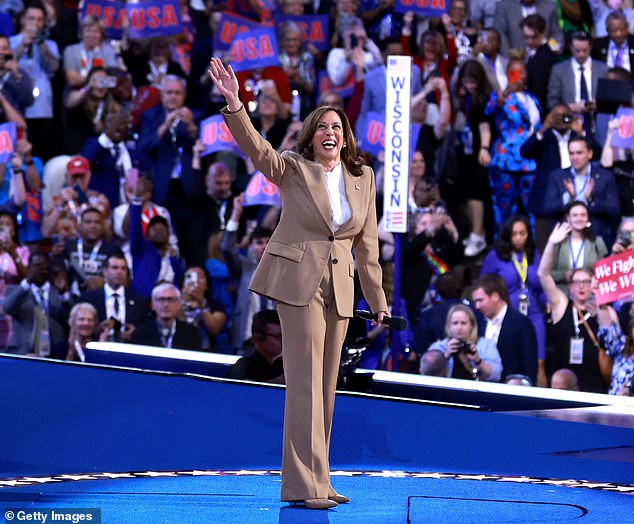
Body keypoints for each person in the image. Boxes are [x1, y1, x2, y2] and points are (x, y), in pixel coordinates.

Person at [208, 57, 388, 510]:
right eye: (323, 126)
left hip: (341, 286)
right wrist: (235, 104)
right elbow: (258, 151)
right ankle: (301, 487)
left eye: (338, 126)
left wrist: (377, 298)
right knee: (304, 384)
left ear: (345, 137)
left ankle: (321, 481)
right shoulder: (292, 167)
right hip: (300, 281)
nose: (331, 132)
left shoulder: (363, 178)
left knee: (327, 386)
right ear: (312, 135)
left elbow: (367, 246)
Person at [538, 221, 615, 393]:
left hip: (597, 388)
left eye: (586, 282)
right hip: (564, 387)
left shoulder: (605, 311)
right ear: (570, 286)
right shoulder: (562, 307)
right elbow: (543, 274)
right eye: (577, 282)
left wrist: (600, 313)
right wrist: (551, 243)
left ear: (593, 285)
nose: (581, 286)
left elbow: (618, 345)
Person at [480, 215, 547, 385]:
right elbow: (484, 285)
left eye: (522, 233)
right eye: (514, 233)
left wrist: (548, 303)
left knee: (539, 362)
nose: (518, 238)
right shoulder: (495, 256)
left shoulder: (534, 254)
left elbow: (541, 286)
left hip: (532, 313)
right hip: (507, 314)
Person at [543, 136, 620, 247]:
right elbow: (548, 208)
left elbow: (614, 209)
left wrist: (590, 200)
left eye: (579, 153)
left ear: (590, 154)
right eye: (571, 153)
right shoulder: (557, 176)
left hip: (598, 238)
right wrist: (570, 198)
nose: (575, 157)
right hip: (566, 240)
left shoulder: (605, 176)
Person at [471, 273, 539, 385]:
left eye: (480, 300)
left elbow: (529, 364)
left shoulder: (520, 323)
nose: (477, 306)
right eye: (475, 302)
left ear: (495, 296)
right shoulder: (477, 322)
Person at [4, 251, 69, 359]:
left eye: (44, 267)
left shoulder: (57, 291)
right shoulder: (17, 290)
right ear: (29, 268)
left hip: (54, 355)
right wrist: (28, 280)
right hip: (23, 353)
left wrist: (63, 295)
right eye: (36, 267)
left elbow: (67, 319)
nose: (39, 271)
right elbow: (8, 307)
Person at [424, 303, 503, 381]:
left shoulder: (486, 345)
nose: (459, 327)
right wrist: (445, 357)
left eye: (463, 323)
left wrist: (478, 360)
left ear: (472, 326)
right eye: (455, 323)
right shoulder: (438, 347)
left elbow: (496, 376)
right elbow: (428, 374)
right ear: (449, 326)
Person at [80, 254, 148, 342]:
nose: (120, 272)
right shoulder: (89, 299)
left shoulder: (139, 301)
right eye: (115, 268)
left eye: (123, 268)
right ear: (104, 272)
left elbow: (145, 329)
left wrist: (135, 332)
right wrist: (97, 329)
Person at [545, 200, 608, 295]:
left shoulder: (597, 242)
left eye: (583, 215)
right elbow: (547, 273)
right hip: (563, 295)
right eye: (575, 215)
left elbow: (605, 272)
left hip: (591, 296)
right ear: (568, 218)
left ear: (588, 218)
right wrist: (564, 275)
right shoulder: (558, 242)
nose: (579, 218)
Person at [130, 283, 201, 350]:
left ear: (179, 304)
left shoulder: (191, 334)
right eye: (161, 299)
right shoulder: (140, 334)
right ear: (152, 305)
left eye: (170, 299)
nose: (165, 305)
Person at [228, 308, 284, 383]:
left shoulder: (282, 366)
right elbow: (238, 391)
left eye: (283, 336)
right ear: (257, 337)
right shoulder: (244, 366)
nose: (282, 341)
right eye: (277, 336)